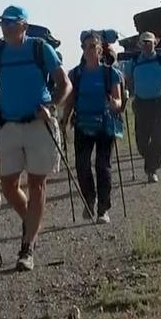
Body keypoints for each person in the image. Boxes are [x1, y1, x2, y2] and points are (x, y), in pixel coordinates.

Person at [0, 5, 72, 272]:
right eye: (2, 23)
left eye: (11, 23)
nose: (5, 27)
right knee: (8, 186)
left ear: (24, 26)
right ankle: (32, 223)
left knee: (36, 185)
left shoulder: (40, 48)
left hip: (38, 124)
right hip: (8, 124)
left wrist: (52, 106)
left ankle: (27, 248)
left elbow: (65, 84)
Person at [61, 30, 125, 222]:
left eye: (92, 47)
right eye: (84, 47)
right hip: (82, 124)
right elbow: (71, 100)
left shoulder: (111, 73)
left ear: (100, 49)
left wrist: (116, 104)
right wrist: (64, 120)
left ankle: (103, 209)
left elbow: (119, 99)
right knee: (82, 166)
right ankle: (89, 201)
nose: (88, 50)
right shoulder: (76, 74)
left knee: (103, 166)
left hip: (105, 124)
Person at [125, 32, 161, 183]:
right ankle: (150, 160)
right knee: (141, 141)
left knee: (158, 136)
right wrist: (125, 91)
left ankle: (152, 170)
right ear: (140, 44)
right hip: (140, 103)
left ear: (155, 43)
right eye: (144, 42)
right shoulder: (134, 62)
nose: (147, 45)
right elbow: (127, 80)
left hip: (159, 102)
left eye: (150, 42)